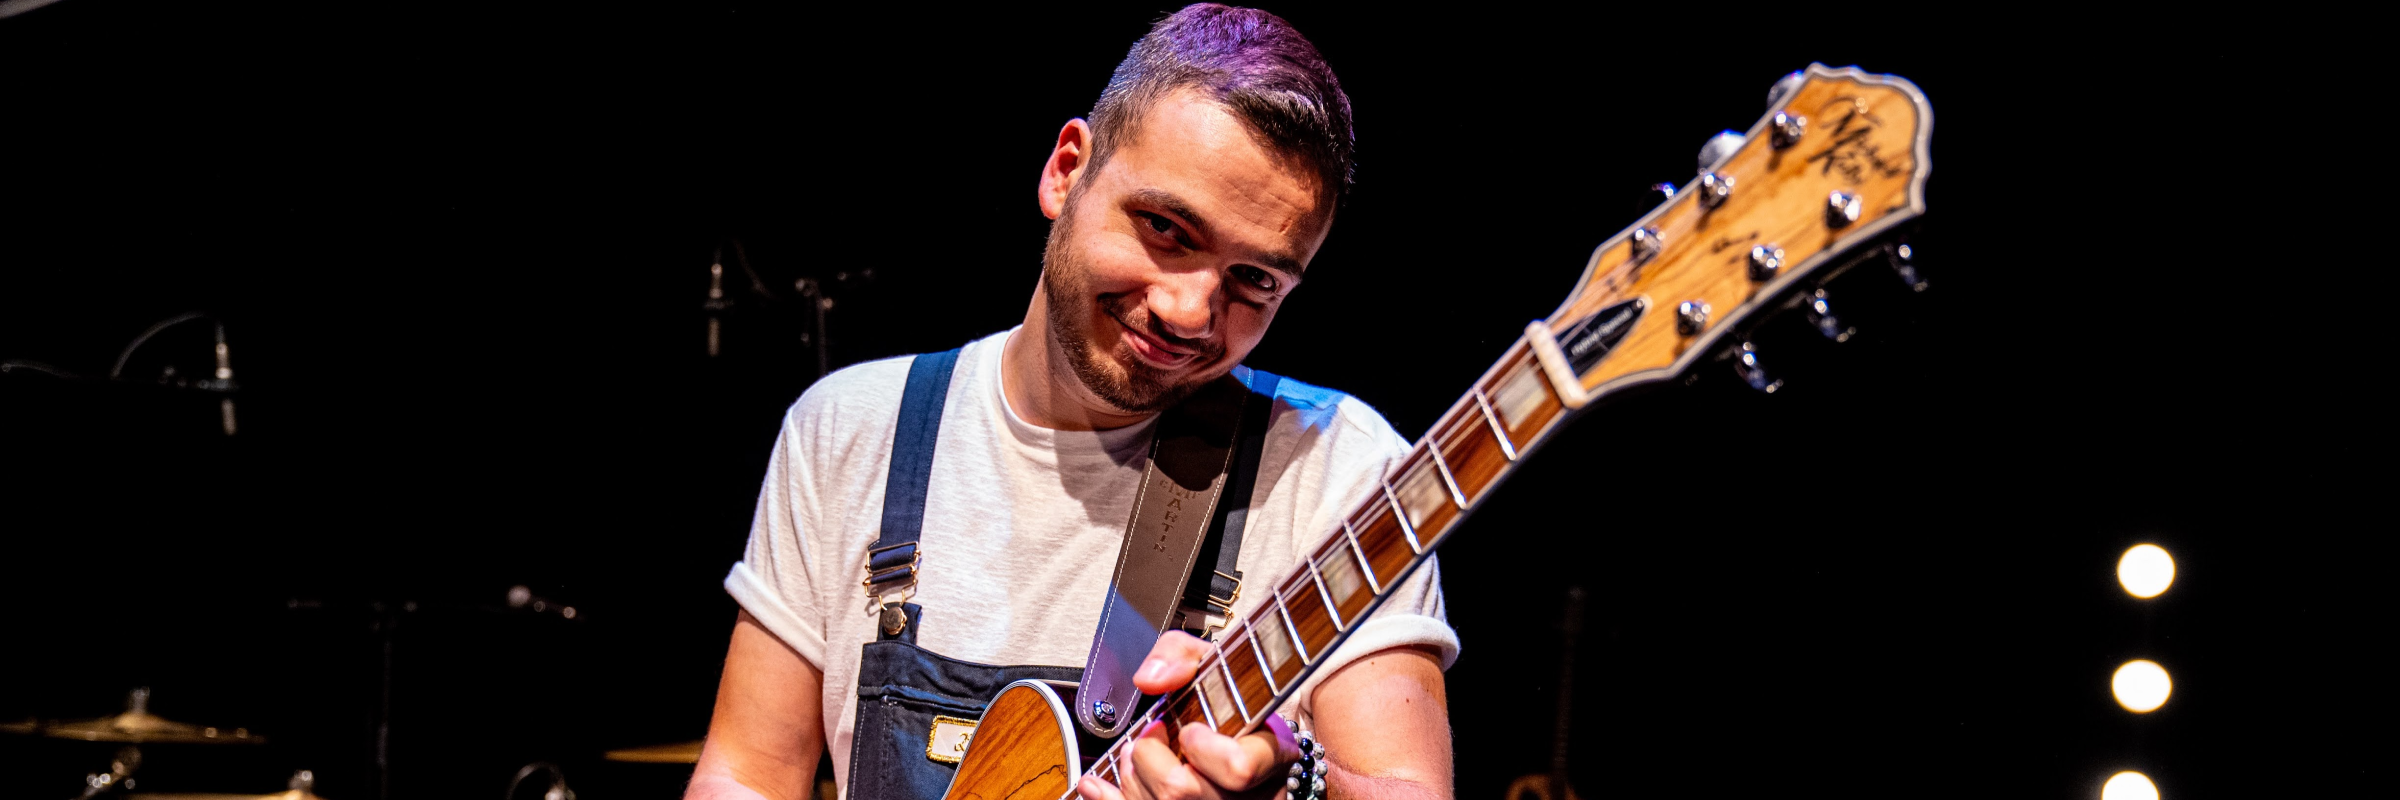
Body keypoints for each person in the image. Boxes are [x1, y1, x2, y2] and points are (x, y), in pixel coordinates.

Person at [686, 6, 1455, 799]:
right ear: (1066, 171)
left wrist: (1297, 790)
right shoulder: (849, 428)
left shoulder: (1339, 465)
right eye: (1166, 228)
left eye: (1254, 281)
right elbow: (746, 773)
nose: (1190, 311)